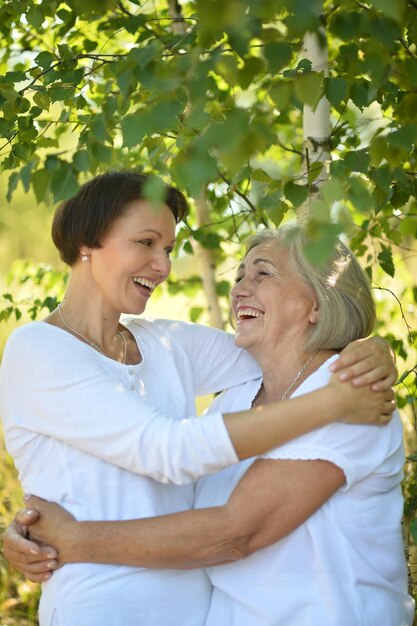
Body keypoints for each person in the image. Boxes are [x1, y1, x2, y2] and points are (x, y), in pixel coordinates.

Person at [0, 171, 396, 626]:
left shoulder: (168, 345)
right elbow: (167, 450)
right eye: (146, 243)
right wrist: (332, 402)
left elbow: (286, 347)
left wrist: (369, 350)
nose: (163, 265)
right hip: (103, 609)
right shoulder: (38, 349)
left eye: (167, 249)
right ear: (88, 241)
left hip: (196, 612)